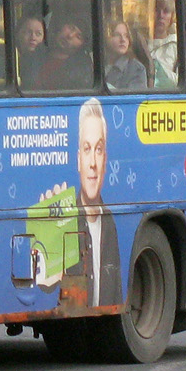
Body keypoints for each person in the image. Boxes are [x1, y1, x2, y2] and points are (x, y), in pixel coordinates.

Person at [65, 98, 121, 307]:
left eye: (98, 150)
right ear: (78, 159)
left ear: (105, 160)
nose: (92, 164)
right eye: (87, 149)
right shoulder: (66, 219)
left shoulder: (110, 224)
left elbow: (115, 299)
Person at [147, 0, 186, 89]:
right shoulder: (136, 40)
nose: (160, 16)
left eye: (166, 11)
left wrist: (156, 69)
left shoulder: (181, 39)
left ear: (172, 16)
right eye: (156, 10)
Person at [43, 8, 93, 90]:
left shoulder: (80, 71)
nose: (70, 36)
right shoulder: (36, 55)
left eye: (78, 36)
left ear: (82, 45)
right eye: (71, 28)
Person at [104, 19, 148, 91]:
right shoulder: (92, 64)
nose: (123, 39)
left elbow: (134, 100)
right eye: (117, 35)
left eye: (126, 36)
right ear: (106, 38)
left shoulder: (136, 69)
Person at [14, 11, 48, 89]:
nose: (33, 38)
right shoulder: (6, 59)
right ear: (17, 34)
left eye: (38, 34)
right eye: (28, 32)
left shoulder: (47, 61)